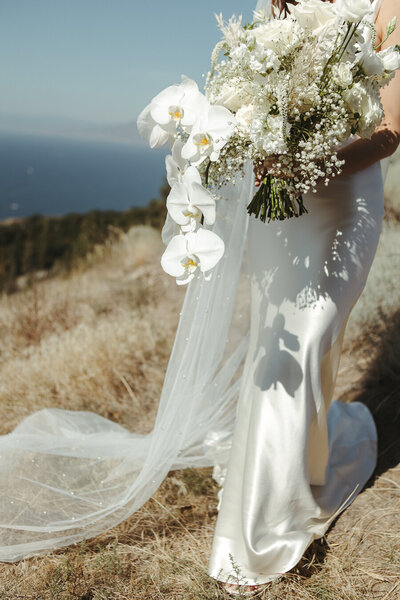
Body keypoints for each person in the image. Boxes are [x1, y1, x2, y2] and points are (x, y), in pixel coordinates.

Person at [208, 0, 400, 596]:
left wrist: (309, 163)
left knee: (315, 328)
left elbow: (389, 130)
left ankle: (265, 524)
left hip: (347, 191)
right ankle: (272, 494)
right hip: (281, 196)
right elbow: (251, 75)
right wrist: (248, 138)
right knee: (278, 339)